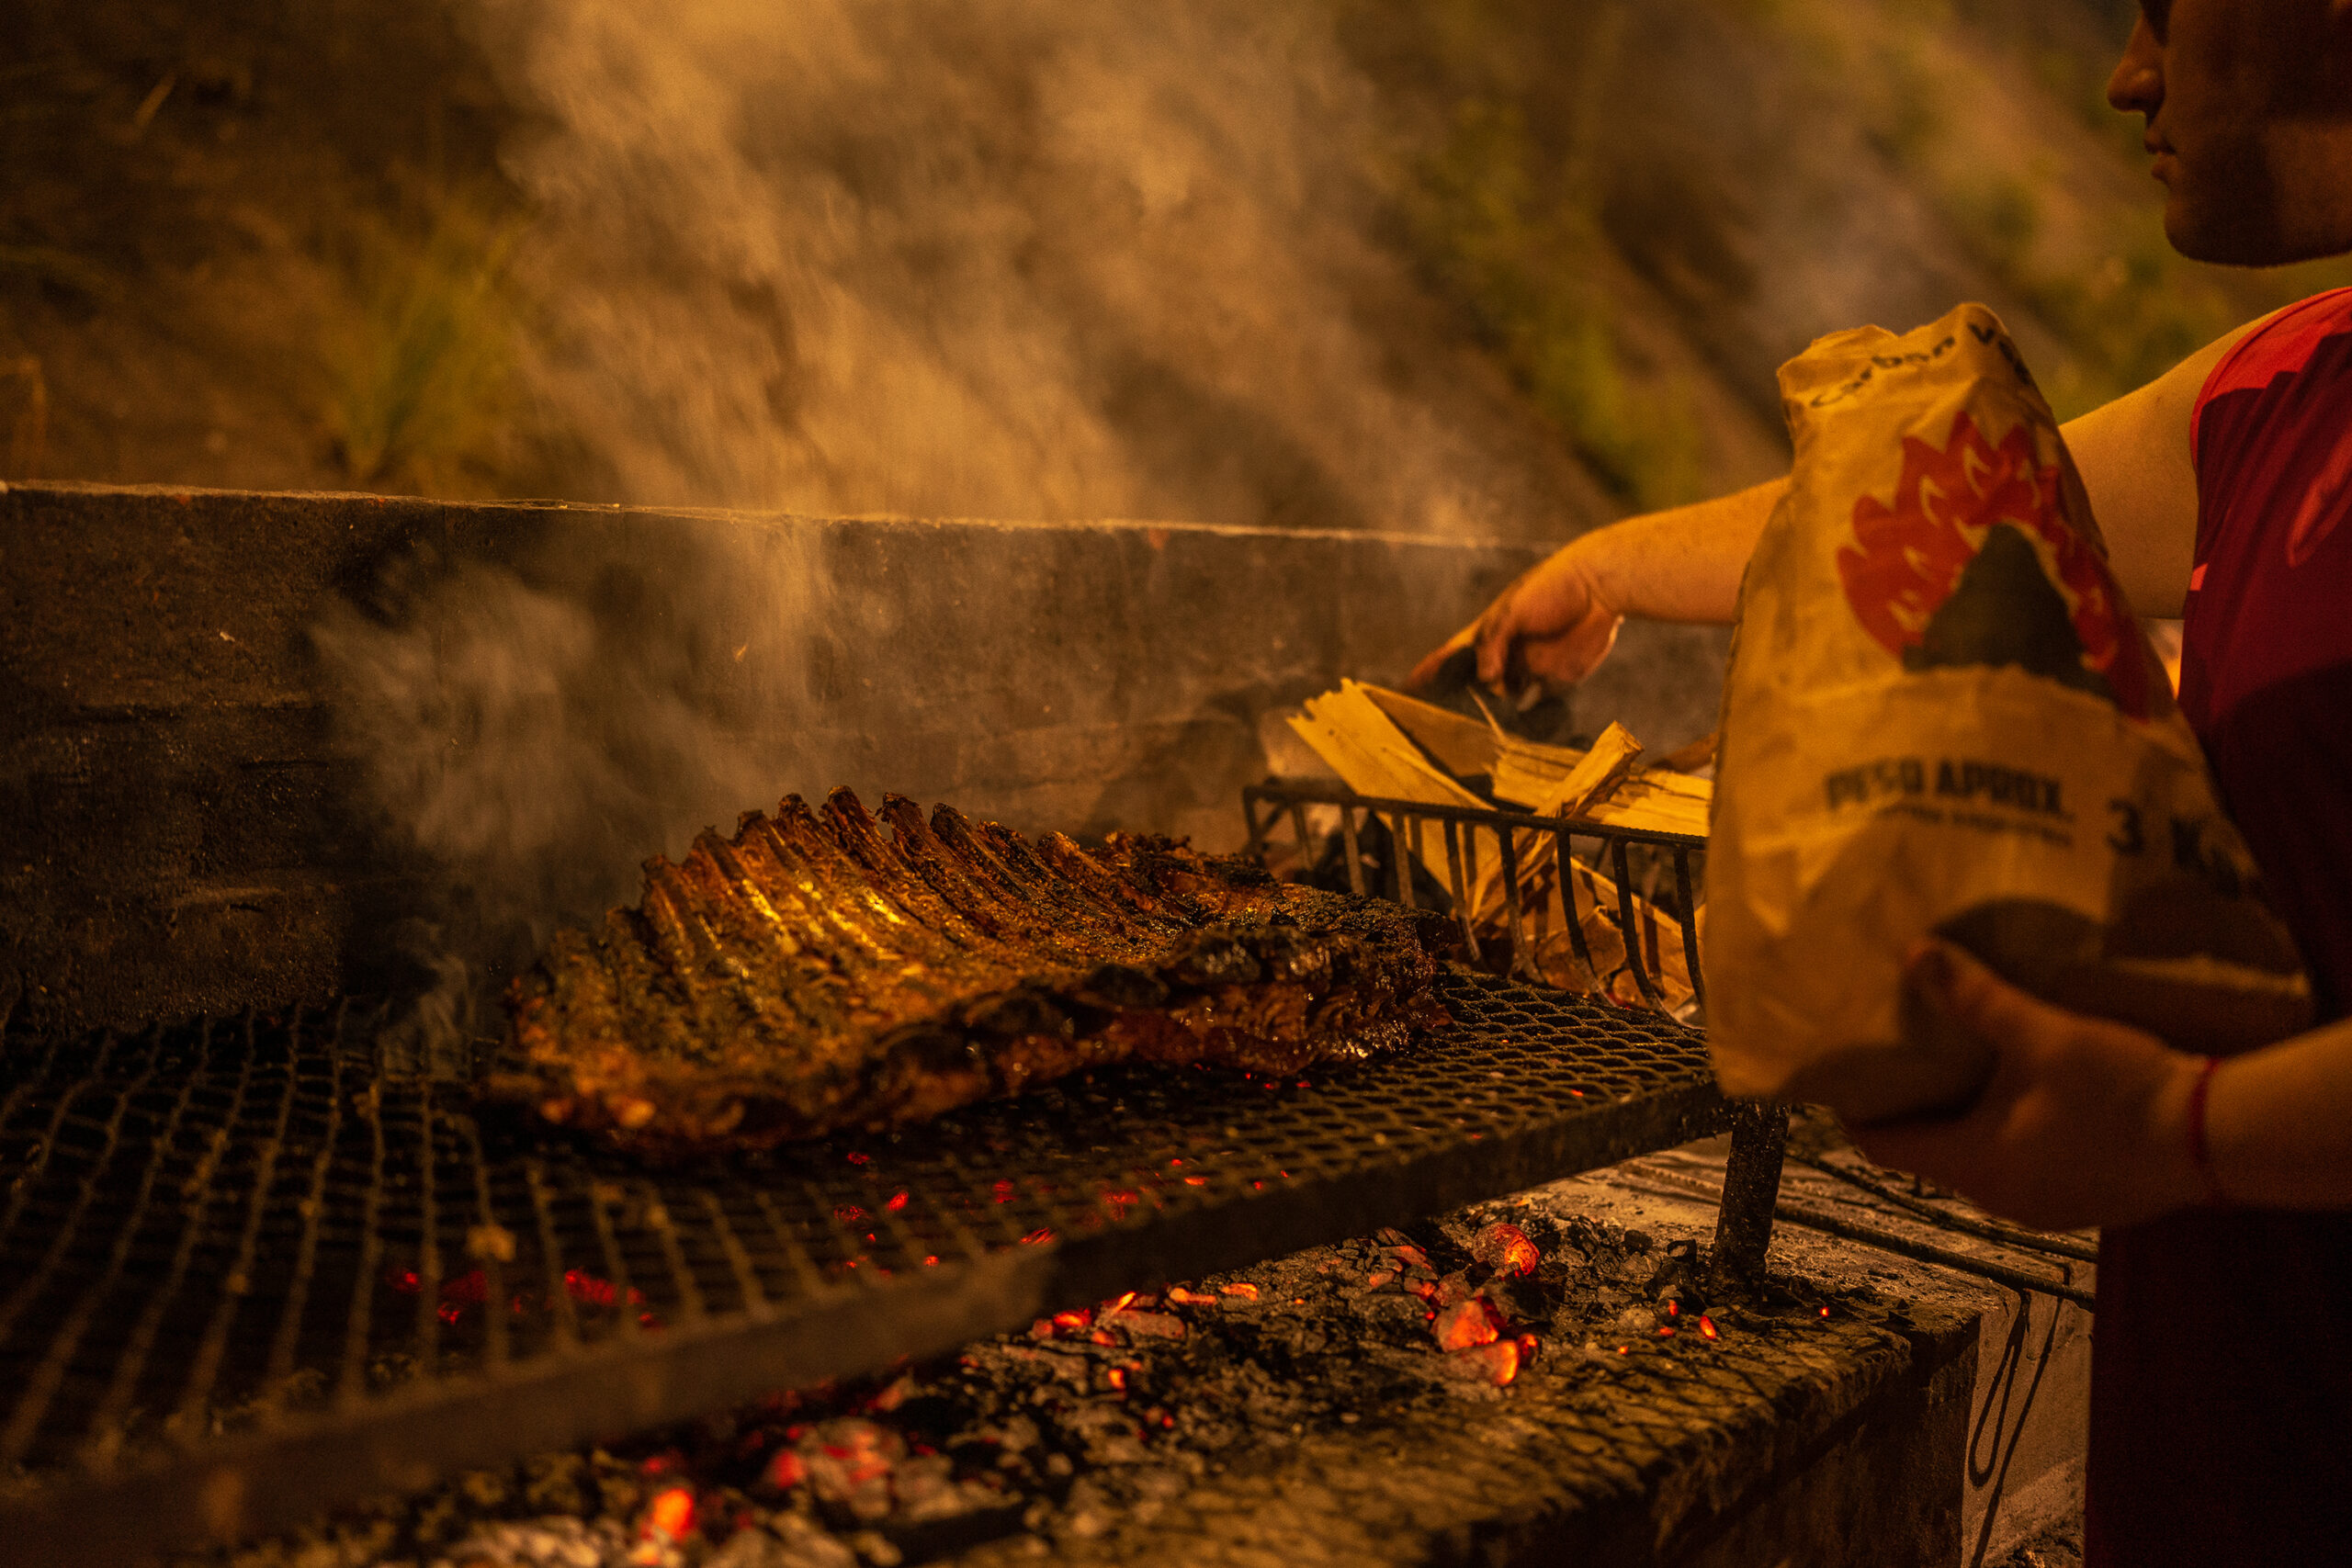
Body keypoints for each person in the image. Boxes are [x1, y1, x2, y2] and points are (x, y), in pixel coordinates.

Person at [1411, 3, 2352, 1562]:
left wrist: (2187, 1128)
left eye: (2164, 15)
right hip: (2228, 1461)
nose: (2130, 81)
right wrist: (1610, 565)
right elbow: (1916, 509)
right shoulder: (2280, 388)